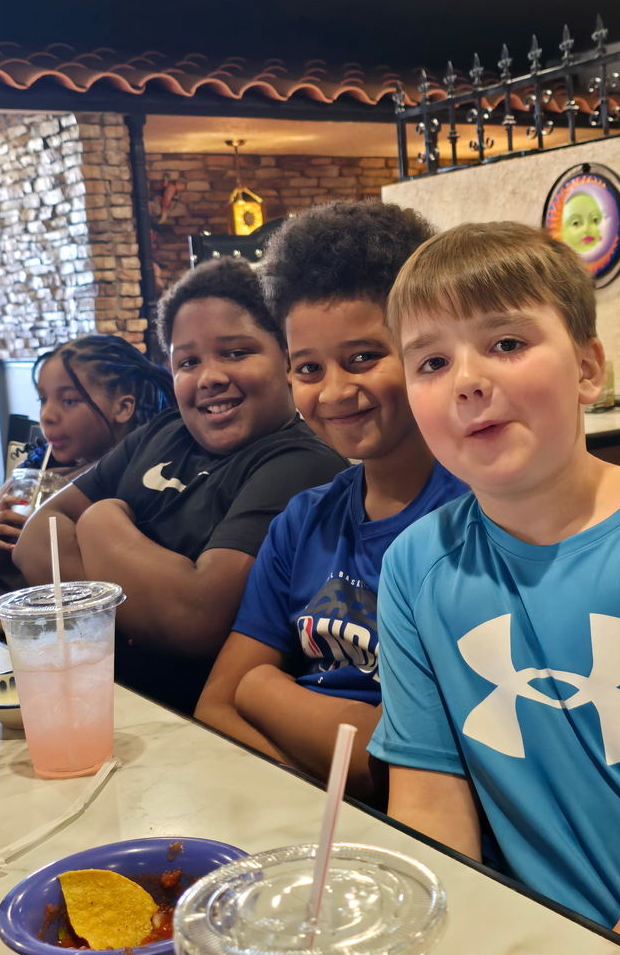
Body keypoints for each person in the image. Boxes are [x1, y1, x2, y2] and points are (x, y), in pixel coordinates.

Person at [367, 221, 620, 955]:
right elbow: (430, 808)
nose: (468, 379)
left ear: (587, 369)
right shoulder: (416, 566)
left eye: (507, 342)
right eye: (432, 362)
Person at [195, 201, 467, 800]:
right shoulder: (303, 520)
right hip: (308, 816)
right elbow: (215, 706)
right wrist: (317, 795)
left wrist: (263, 690)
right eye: (309, 368)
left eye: (363, 358)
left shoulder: (472, 525)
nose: (336, 391)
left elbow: (395, 763)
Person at [14, 258, 349, 714]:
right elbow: (37, 540)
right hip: (100, 696)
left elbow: (196, 618)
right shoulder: (163, 431)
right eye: (188, 361)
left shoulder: (301, 461)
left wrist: (100, 523)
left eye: (236, 353)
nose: (209, 377)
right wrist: (144, 603)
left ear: (286, 357)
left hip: (189, 722)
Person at [0, 334, 175, 637]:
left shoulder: (132, 487)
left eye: (69, 400)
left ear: (123, 408)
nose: (47, 416)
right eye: (43, 399)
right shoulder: (35, 470)